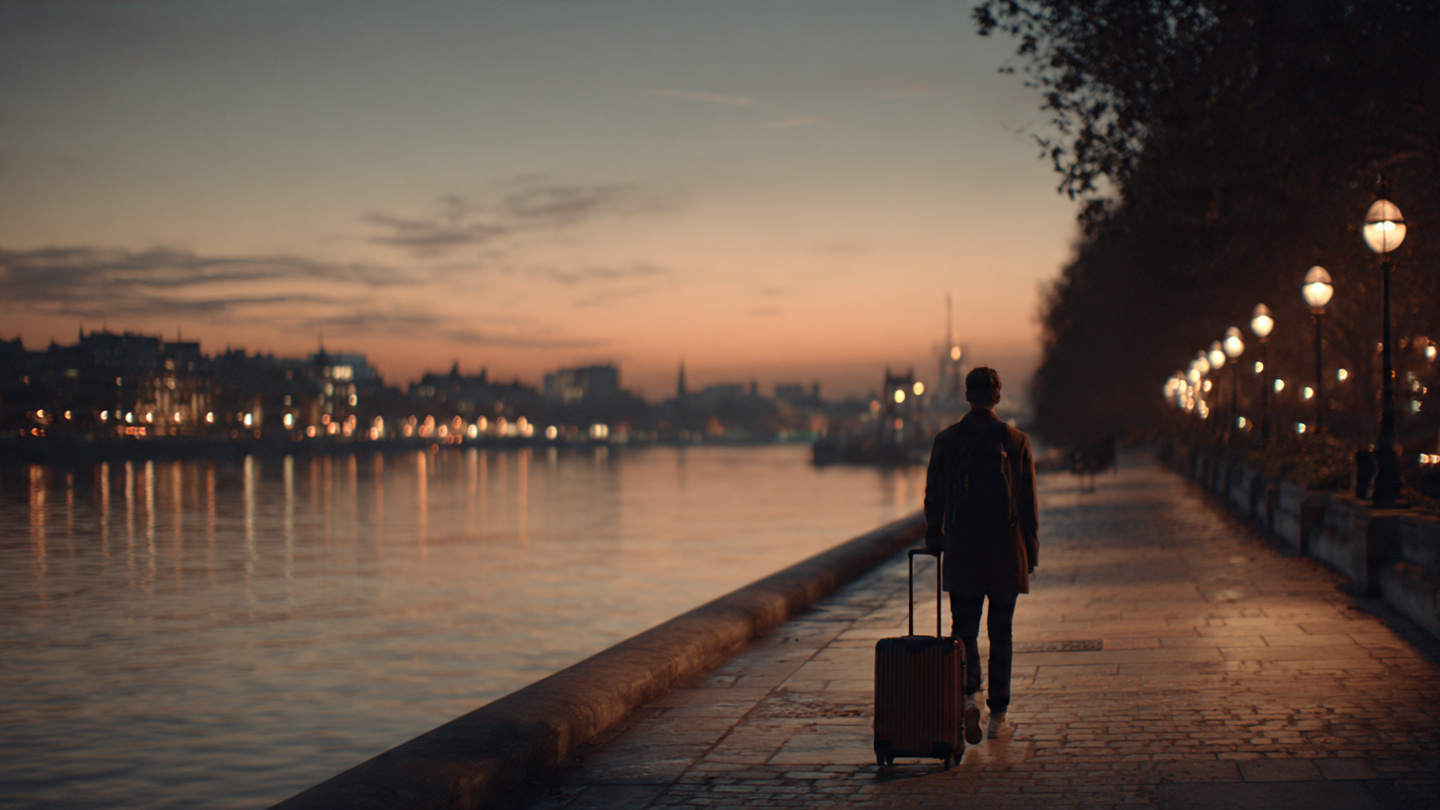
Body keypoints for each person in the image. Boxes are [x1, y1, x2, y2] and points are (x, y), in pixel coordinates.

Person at [923, 366, 1039, 745]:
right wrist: (1031, 552)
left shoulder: (946, 440)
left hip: (964, 552)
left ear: (967, 395)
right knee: (1001, 632)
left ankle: (971, 695)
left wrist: (935, 537)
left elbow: (934, 496)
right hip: (1006, 552)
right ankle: (999, 717)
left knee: (964, 629)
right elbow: (1027, 505)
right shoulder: (1017, 441)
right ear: (998, 397)